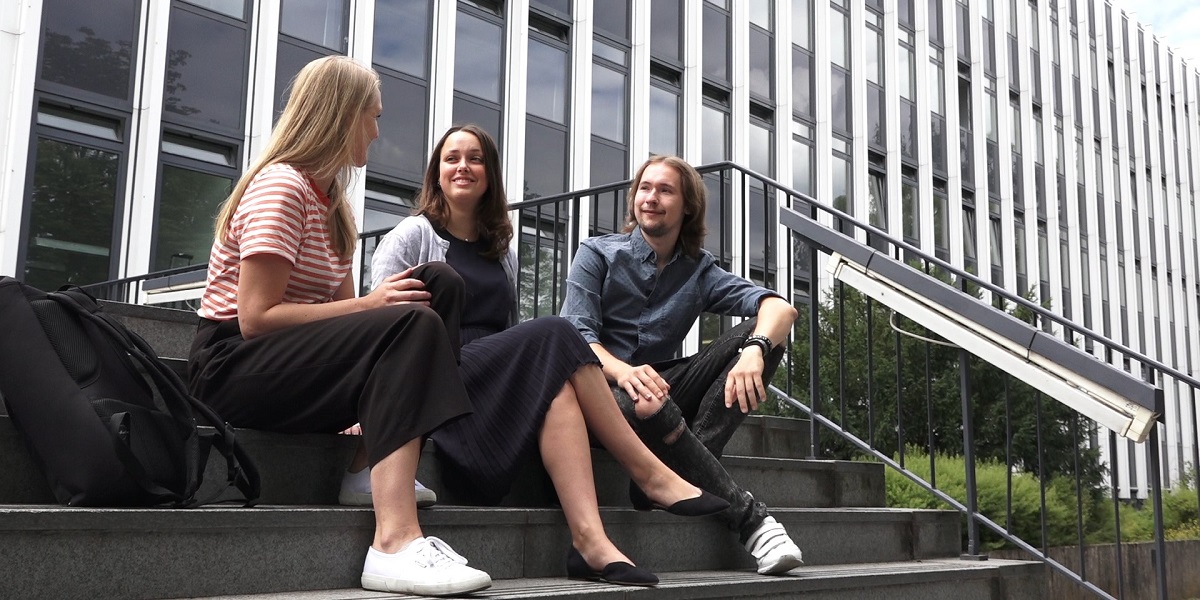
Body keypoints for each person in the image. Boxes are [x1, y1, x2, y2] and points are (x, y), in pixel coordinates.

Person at [369, 125, 729, 586]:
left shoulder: (501, 248)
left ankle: (591, 543)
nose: (463, 167)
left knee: (557, 387)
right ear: (436, 174)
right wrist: (368, 413)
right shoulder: (411, 236)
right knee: (560, 332)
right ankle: (650, 472)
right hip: (436, 378)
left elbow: (504, 331)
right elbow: (382, 330)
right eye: (451, 158)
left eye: (475, 158)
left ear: (490, 174)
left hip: (482, 383)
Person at [186, 56, 491, 596]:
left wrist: (372, 321)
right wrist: (374, 308)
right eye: (371, 116)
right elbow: (255, 319)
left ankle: (364, 469)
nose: (376, 131)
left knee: (439, 283)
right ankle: (393, 542)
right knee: (410, 320)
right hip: (232, 368)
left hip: (292, 364)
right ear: (341, 116)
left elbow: (351, 319)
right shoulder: (281, 187)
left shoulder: (331, 203)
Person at [560, 155, 805, 575]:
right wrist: (623, 371)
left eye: (665, 190)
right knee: (650, 401)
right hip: (600, 391)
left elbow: (781, 309)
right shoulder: (597, 253)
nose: (650, 198)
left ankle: (670, 470)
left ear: (687, 205)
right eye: (645, 188)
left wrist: (755, 349)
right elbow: (575, 336)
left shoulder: (699, 270)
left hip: (664, 390)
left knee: (765, 336)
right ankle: (752, 522)